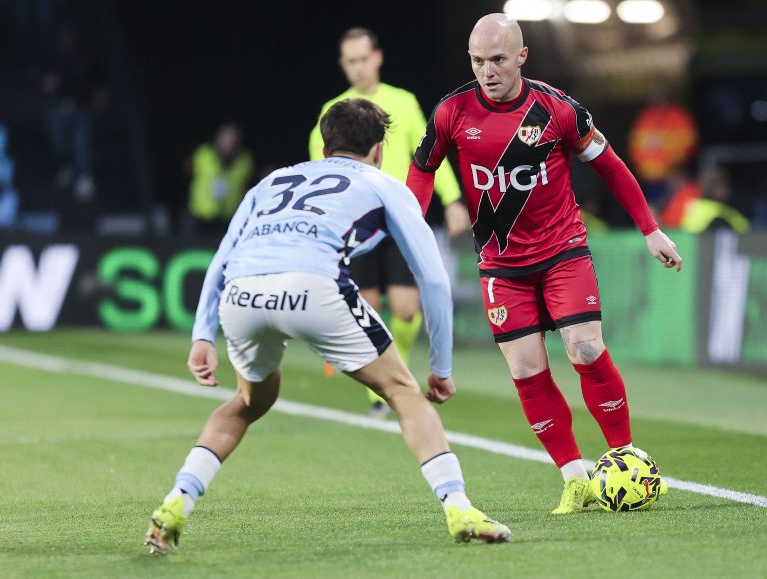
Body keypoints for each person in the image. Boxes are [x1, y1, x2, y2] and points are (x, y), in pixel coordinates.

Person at [145, 99, 510, 554]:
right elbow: (433, 278)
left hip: (242, 293)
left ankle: (176, 501)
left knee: (247, 402)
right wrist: (441, 366)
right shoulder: (382, 183)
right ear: (378, 150)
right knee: (403, 392)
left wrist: (202, 335)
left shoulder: (272, 180)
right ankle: (459, 507)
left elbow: (220, 259)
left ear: (323, 147)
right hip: (313, 285)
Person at [406, 13, 682, 514]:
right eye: (477, 61)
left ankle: (625, 458)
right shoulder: (452, 112)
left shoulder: (557, 110)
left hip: (562, 253)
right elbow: (422, 171)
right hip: (500, 266)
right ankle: (574, 478)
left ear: (522, 56)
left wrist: (650, 228)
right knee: (526, 368)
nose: (487, 71)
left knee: (586, 348)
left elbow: (611, 166)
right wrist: (409, 230)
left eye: (497, 59)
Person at [309, 28, 470, 416]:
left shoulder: (402, 101)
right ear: (343, 65)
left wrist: (452, 199)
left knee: (407, 309)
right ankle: (380, 389)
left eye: (363, 58)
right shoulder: (334, 111)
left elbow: (427, 154)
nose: (358, 67)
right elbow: (320, 168)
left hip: (398, 219)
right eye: (351, 61)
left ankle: (395, 369)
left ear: (377, 58)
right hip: (357, 223)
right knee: (368, 309)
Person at [187, 123, 255, 236]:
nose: (230, 143)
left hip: (230, 216)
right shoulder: (203, 154)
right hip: (202, 213)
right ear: (218, 138)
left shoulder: (245, 159)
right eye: (227, 138)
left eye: (234, 139)